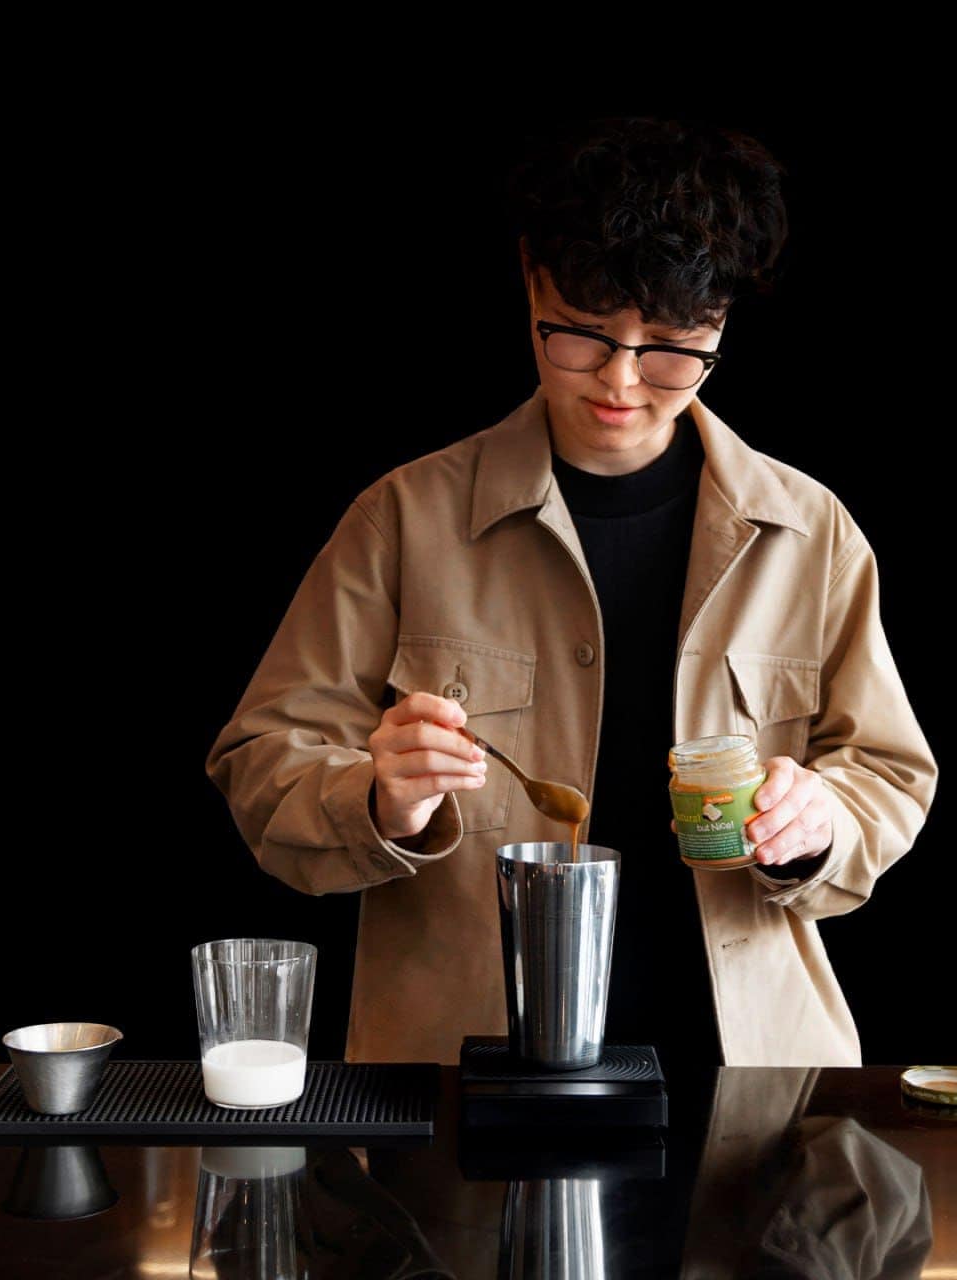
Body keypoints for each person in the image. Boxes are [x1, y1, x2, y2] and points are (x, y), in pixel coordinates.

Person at [204, 115, 937, 1072]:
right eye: (583, 336)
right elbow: (261, 765)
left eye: (673, 346)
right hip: (463, 1078)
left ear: (721, 324)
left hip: (750, 1080)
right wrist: (374, 799)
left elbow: (889, 773)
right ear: (530, 282)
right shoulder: (405, 518)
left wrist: (822, 821)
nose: (623, 383)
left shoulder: (811, 531)